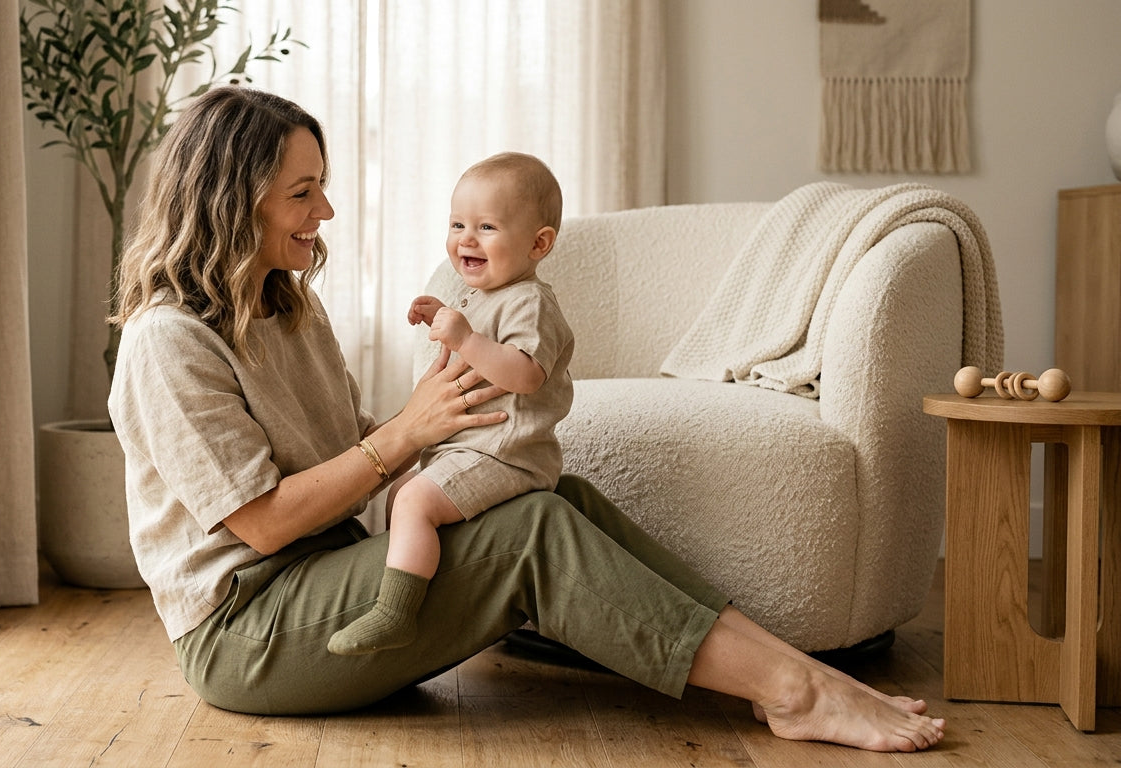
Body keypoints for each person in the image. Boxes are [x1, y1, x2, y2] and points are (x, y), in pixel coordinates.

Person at [106, 86, 947, 753]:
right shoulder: (167, 343)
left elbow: (353, 449)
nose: (324, 212)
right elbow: (261, 521)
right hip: (251, 634)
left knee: (559, 498)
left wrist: (447, 427)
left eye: (321, 186)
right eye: (302, 192)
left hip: (332, 578)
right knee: (533, 532)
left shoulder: (290, 309)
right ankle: (796, 693)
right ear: (233, 200)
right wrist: (409, 431)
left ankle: (793, 674)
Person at [327, 152, 575, 656]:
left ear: (538, 243)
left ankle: (395, 615)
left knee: (416, 501)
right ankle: (416, 590)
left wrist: (465, 339)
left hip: (508, 453)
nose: (466, 238)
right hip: (470, 450)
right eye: (457, 223)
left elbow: (526, 374)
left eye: (487, 226)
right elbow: (477, 336)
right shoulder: (476, 296)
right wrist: (443, 313)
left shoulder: (532, 301)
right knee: (402, 495)